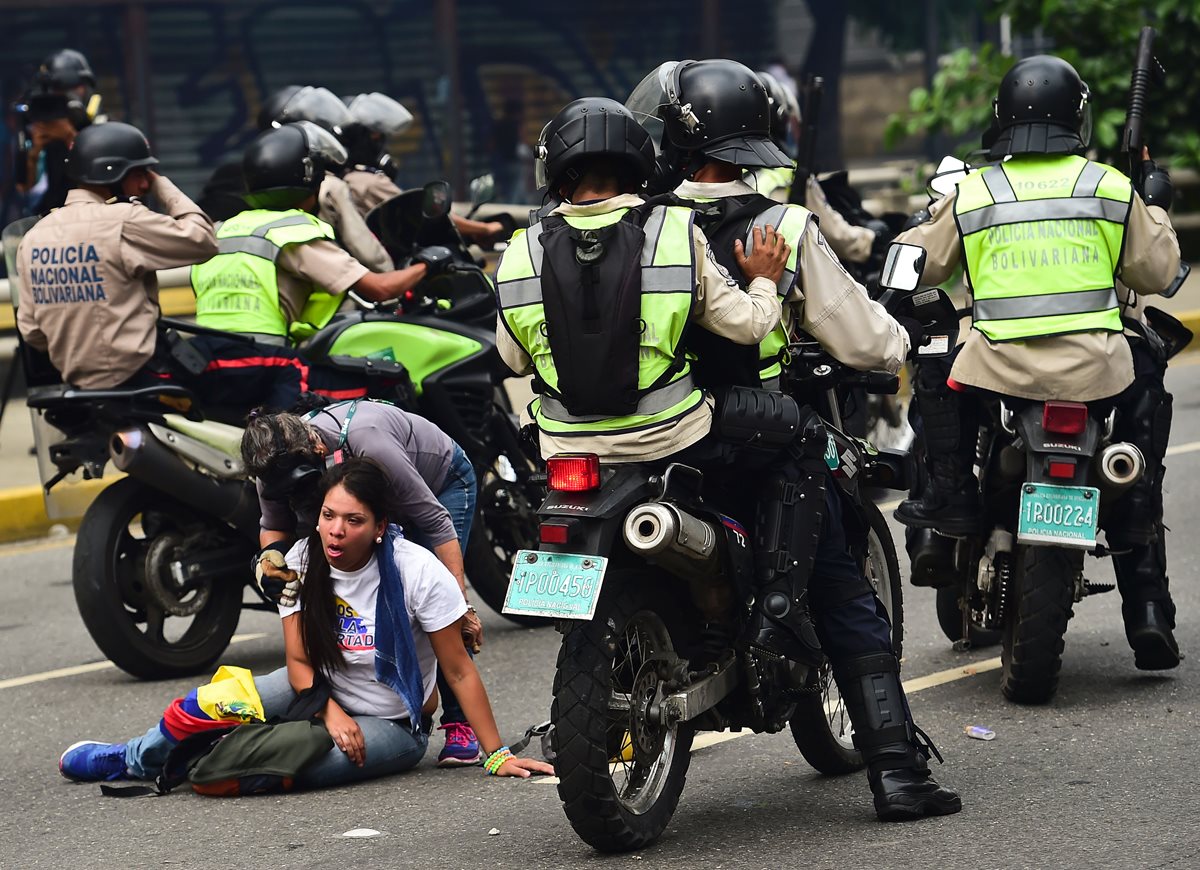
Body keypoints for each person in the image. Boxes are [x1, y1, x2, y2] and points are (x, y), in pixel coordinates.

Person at [626, 58, 958, 822]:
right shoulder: (780, 227)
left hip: (650, 439)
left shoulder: (638, 225)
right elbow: (865, 339)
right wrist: (901, 339)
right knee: (842, 589)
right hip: (754, 442)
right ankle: (897, 774)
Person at [893, 55, 1183, 670]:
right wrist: (1152, 206)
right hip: (1098, 372)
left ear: (1003, 118)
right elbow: (1157, 274)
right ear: (1077, 118)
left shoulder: (976, 192)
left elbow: (920, 265)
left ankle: (952, 500)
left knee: (936, 374)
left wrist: (918, 226)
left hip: (996, 370)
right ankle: (1146, 594)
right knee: (1141, 432)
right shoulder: (1108, 186)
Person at [58, 459, 554, 787]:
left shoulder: (418, 571)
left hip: (393, 725)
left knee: (270, 768)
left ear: (379, 528)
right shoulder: (297, 561)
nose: (336, 531)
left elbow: (459, 670)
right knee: (208, 703)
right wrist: (330, 713)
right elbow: (298, 663)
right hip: (315, 690)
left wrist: (496, 755)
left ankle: (198, 761)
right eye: (328, 515)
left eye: (354, 521)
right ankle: (131, 757)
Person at [240, 403, 487, 766]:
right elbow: (274, 528)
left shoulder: (369, 440)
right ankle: (356, 696)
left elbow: (435, 521)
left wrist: (460, 607)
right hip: (359, 502)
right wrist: (268, 565)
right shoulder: (269, 465)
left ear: (317, 447)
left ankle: (459, 722)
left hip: (438, 484)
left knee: (435, 608)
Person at [188, 121, 439, 411]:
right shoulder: (291, 232)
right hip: (263, 364)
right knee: (388, 381)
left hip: (208, 362)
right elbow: (380, 289)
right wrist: (429, 264)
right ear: (309, 182)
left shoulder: (222, 229)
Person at [15, 122, 218, 390]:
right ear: (111, 175)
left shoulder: (34, 237)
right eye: (140, 173)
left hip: (76, 387)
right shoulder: (124, 219)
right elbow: (203, 240)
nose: (145, 183)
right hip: (144, 379)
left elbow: (32, 330)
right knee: (266, 365)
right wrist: (162, 186)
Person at [15, 49, 108, 216]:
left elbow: (106, 180)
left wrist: (70, 137)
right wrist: (34, 154)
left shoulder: (105, 128)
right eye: (57, 89)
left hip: (95, 213)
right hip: (51, 215)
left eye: (73, 87)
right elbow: (23, 188)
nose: (66, 95)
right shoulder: (38, 128)